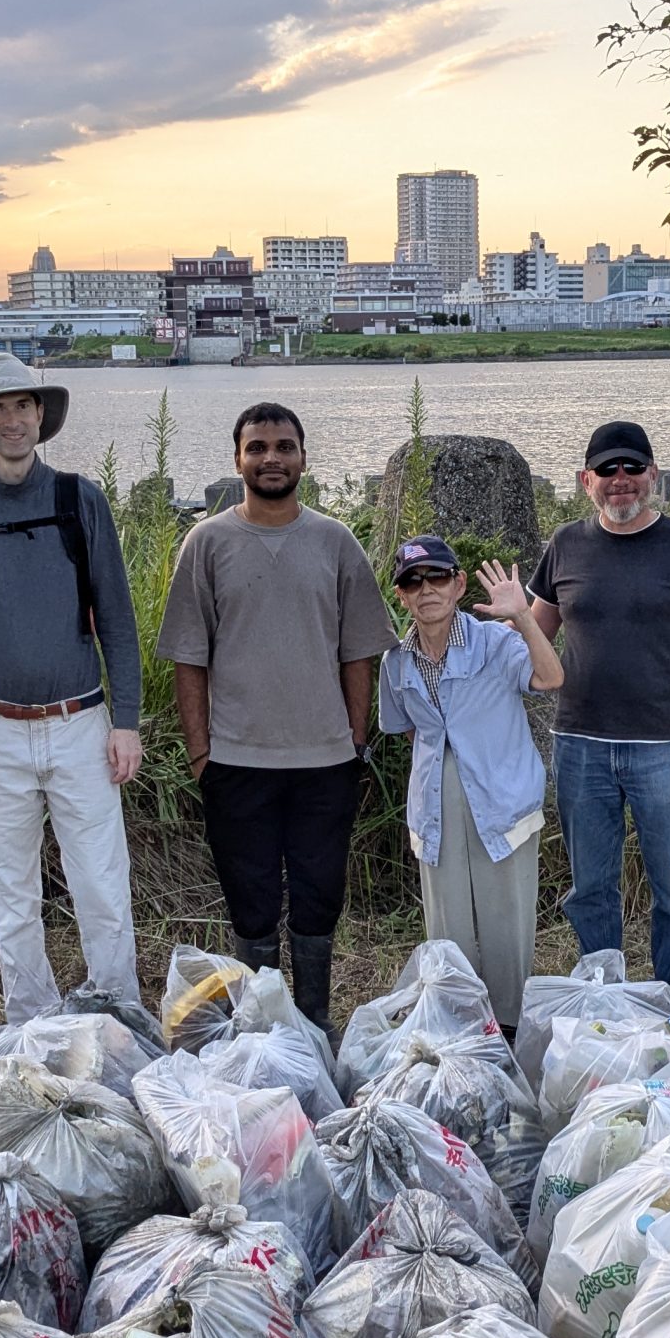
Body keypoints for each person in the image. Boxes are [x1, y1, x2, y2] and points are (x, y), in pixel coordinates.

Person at [158, 401, 392, 1033]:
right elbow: (189, 658)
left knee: (319, 900)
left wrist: (355, 740)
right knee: (251, 904)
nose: (271, 458)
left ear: (304, 459)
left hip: (326, 761)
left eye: (284, 446)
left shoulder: (335, 542)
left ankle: (314, 1024)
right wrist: (201, 754)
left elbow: (359, 653)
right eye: (257, 447)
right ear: (238, 459)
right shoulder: (207, 543)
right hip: (236, 761)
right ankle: (260, 1029)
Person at [0, 351, 144, 1022]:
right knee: (12, 898)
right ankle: (33, 1030)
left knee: (103, 887)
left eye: (22, 405)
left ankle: (120, 1020)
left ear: (41, 414)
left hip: (81, 724)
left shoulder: (80, 500)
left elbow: (117, 619)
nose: (11, 420)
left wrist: (126, 721)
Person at [525, 420, 670, 996]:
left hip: (667, 748)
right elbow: (534, 640)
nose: (621, 479)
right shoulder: (565, 544)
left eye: (633, 467)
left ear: (653, 474)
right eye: (607, 469)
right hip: (580, 745)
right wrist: (487, 626)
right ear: (585, 480)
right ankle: (605, 1005)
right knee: (590, 891)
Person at [376, 535, 563, 1029]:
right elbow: (409, 729)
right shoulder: (396, 662)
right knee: (448, 929)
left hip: (502, 803)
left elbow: (550, 678)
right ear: (401, 595)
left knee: (507, 926)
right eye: (412, 582)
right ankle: (461, 1029)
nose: (427, 590)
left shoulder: (495, 642)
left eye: (437, 577)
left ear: (458, 584)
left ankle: (509, 1028)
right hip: (436, 809)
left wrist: (523, 616)